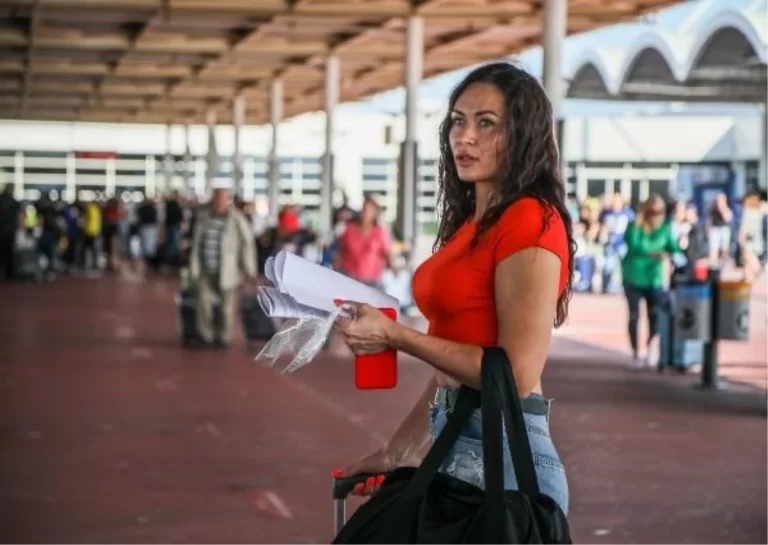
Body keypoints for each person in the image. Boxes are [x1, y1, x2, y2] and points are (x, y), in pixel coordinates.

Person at [333, 62, 574, 515]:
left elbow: (516, 375)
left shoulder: (530, 220)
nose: (464, 137)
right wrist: (397, 452)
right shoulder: (473, 226)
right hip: (456, 435)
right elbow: (453, 369)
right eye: (458, 121)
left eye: (486, 123)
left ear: (523, 134)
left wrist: (396, 336)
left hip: (502, 454)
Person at [189, 181, 257, 348]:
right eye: (216, 199)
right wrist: (193, 266)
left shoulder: (237, 218)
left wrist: (250, 269)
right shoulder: (204, 217)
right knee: (203, 303)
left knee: (226, 307)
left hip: (228, 270)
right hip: (206, 268)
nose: (219, 202)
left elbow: (247, 244)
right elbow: (197, 242)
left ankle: (223, 337)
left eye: (222, 199)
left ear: (228, 200)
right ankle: (206, 335)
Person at [621, 194, 681, 369]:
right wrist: (656, 253)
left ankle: (651, 346)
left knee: (655, 315)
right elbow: (635, 245)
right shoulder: (634, 226)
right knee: (634, 315)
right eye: (653, 212)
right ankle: (636, 352)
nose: (657, 215)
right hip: (633, 275)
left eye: (660, 211)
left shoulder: (665, 228)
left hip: (654, 278)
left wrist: (678, 256)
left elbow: (674, 247)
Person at [334, 194, 392, 288]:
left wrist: (394, 270)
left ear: (375, 213)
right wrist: (334, 272)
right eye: (364, 208)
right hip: (350, 278)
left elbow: (387, 254)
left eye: (369, 209)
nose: (365, 211)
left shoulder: (380, 232)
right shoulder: (350, 229)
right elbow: (341, 252)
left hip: (372, 282)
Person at [737, 190, 765, 282]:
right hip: (754, 238)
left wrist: (741, 237)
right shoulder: (756, 209)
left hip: (752, 238)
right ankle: (748, 278)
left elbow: (744, 227)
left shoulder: (752, 210)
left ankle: (759, 271)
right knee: (746, 259)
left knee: (748, 256)